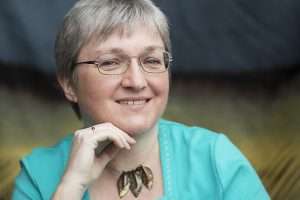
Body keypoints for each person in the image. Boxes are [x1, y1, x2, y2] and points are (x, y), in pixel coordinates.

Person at [12, 0, 270, 199]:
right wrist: (71, 187)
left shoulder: (217, 159)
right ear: (69, 83)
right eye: (110, 62)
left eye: (151, 60)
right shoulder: (38, 176)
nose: (136, 81)